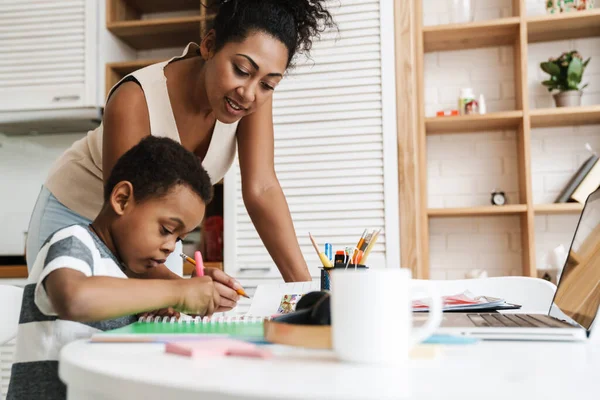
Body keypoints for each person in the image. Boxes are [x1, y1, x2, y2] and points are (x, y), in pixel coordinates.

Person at [26, 0, 335, 282]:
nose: (250, 92)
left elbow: (262, 189)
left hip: (154, 236)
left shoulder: (248, 100)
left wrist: (305, 291)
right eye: (241, 70)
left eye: (268, 84)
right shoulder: (135, 99)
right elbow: (124, 220)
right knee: (68, 334)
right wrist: (186, 289)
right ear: (210, 45)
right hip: (77, 217)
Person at [7, 136, 241, 400]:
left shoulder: (122, 273)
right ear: (122, 199)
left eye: (179, 239)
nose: (170, 247)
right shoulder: (74, 241)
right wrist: (177, 292)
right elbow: (74, 298)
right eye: (166, 230)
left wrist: (158, 313)